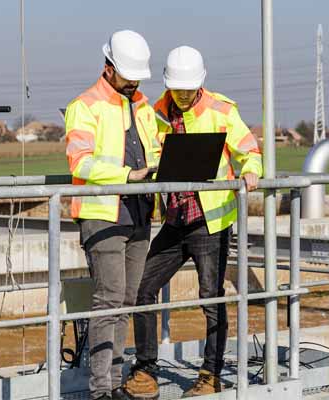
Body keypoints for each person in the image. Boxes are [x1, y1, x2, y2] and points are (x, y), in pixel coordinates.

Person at [125, 46, 262, 398]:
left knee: (210, 299)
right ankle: (145, 369)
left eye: (189, 90)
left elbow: (249, 149)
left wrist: (251, 172)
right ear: (169, 86)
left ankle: (210, 375)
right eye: (177, 90)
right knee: (142, 289)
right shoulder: (154, 112)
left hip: (209, 222)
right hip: (174, 221)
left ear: (200, 84)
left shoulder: (221, 109)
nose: (183, 96)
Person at [64, 30, 161, 400]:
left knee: (127, 301)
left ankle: (116, 384)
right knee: (109, 299)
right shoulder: (84, 105)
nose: (134, 81)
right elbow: (81, 162)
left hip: (139, 211)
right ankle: (100, 390)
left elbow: (152, 150)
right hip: (103, 213)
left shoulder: (143, 106)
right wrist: (126, 175)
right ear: (108, 68)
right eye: (128, 75)